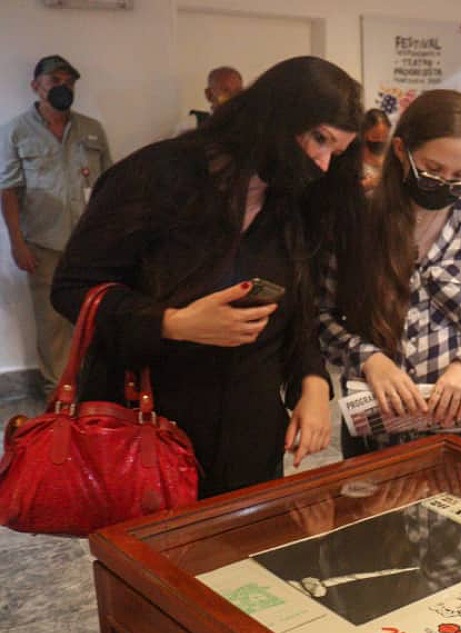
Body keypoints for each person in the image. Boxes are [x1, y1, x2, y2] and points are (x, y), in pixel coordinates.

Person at [51, 56, 364, 498]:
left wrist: (312, 383)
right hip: (149, 435)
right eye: (319, 139)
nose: (323, 163)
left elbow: (298, 311)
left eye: (336, 152)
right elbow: (71, 289)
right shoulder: (153, 176)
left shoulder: (296, 200)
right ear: (276, 113)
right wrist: (172, 323)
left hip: (250, 442)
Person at [318, 89, 461, 457]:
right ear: (401, 151)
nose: (445, 183)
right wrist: (368, 358)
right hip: (378, 424)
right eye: (433, 170)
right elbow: (320, 314)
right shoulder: (358, 222)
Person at [1, 54, 112, 395]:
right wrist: (17, 244)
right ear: (36, 87)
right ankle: (58, 393)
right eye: (54, 81)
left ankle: (92, 388)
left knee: (91, 315)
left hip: (88, 244)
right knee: (51, 323)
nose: (64, 88)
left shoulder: (92, 129)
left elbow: (109, 186)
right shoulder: (16, 132)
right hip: (43, 245)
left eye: (69, 82)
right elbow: (8, 191)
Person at [361, 108, 392, 193]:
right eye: (375, 136)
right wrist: (371, 183)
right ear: (364, 133)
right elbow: (346, 190)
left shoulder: (389, 154)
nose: (380, 140)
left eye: (385, 137)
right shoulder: (352, 156)